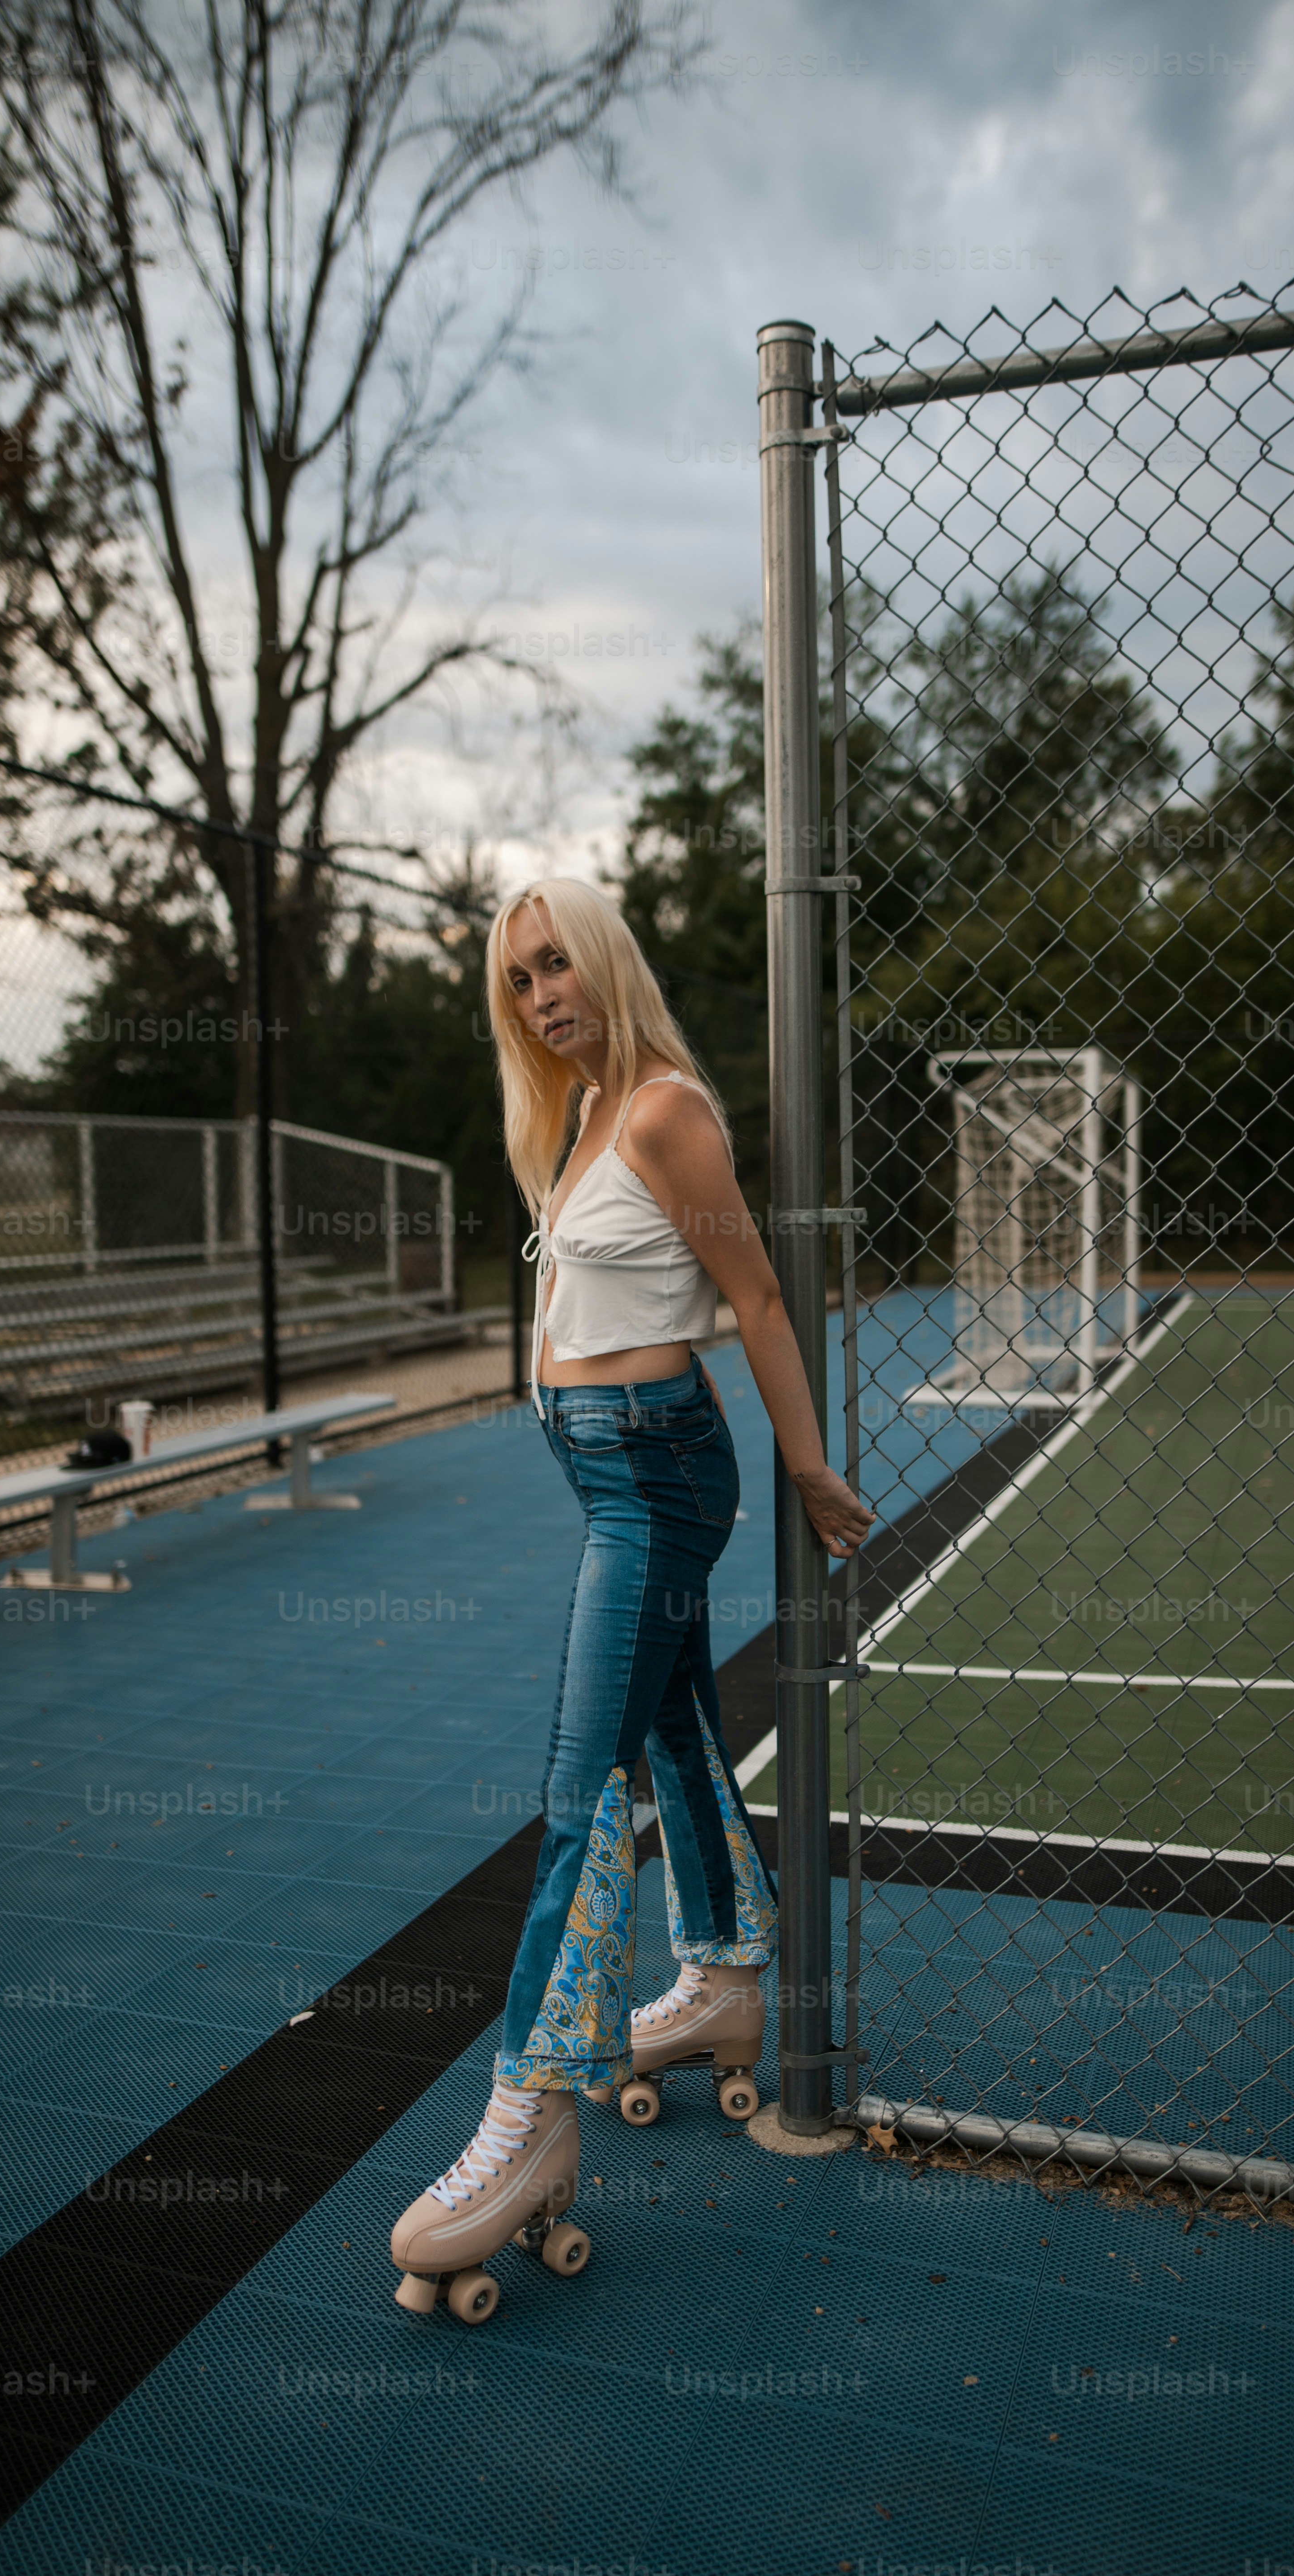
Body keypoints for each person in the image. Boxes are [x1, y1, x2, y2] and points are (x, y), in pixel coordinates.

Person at [390, 878, 870, 2321]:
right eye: (519, 979)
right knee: (664, 1731)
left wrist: (805, 1462)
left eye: (557, 965)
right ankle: (725, 1969)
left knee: (577, 1783)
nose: (541, 995)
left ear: (603, 961)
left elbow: (760, 1298)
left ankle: (530, 2108)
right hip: (604, 1475)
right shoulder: (578, 1109)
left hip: (658, 1480)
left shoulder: (662, 1109)